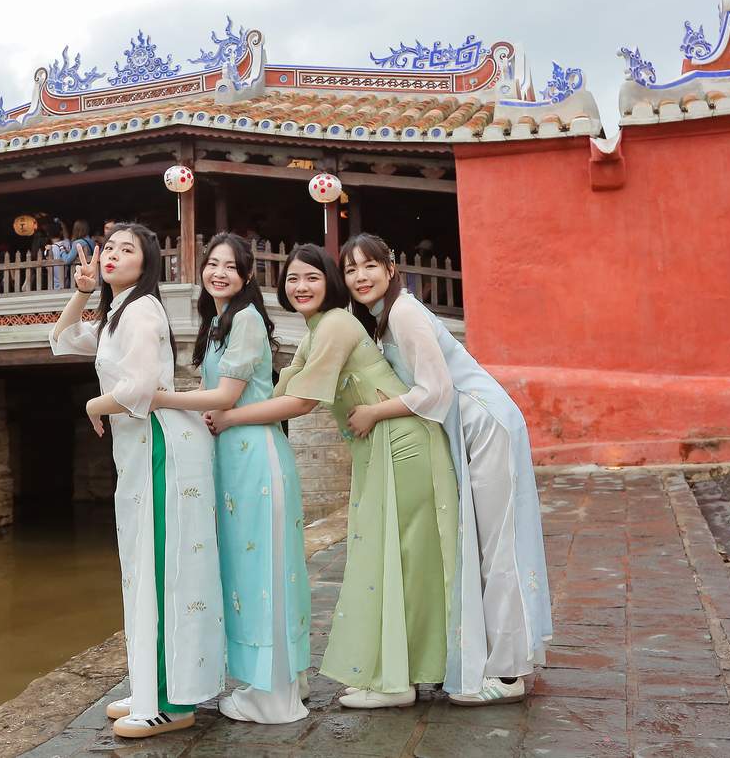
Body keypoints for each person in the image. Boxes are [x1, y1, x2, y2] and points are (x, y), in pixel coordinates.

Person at [208, 243, 459, 709]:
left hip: (400, 442)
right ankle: (397, 674)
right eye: (292, 278)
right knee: (387, 556)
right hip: (379, 445)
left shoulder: (337, 325)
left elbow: (302, 403)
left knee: (402, 558)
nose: (301, 287)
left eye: (313, 277)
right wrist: (226, 403)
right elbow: (281, 389)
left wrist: (229, 419)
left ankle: (396, 682)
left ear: (331, 283)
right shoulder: (316, 330)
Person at [340, 233, 551, 706]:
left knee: (497, 545)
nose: (361, 277)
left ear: (391, 269)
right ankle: (485, 658)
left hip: (484, 423)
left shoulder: (404, 313)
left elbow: (436, 390)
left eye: (369, 266)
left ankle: (510, 672)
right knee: (477, 544)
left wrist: (374, 412)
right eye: (351, 270)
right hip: (465, 430)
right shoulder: (384, 319)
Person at [49, 225, 224, 739]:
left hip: (159, 446)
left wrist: (93, 404)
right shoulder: (116, 313)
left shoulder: (142, 310)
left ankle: (172, 702)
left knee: (162, 570)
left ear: (146, 265)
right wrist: (82, 292)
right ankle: (149, 684)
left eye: (128, 250)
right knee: (140, 569)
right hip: (137, 450)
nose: (113, 255)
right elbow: (62, 339)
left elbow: (142, 387)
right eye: (109, 248)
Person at [151, 233, 312, 724]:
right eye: (212, 264)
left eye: (230, 267)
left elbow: (225, 397)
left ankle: (275, 696)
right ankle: (278, 680)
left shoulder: (245, 320)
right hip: (234, 461)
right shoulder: (220, 321)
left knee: (264, 572)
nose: (219, 273)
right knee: (249, 573)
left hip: (256, 458)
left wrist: (159, 398)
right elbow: (216, 397)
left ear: (246, 277)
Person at [45, 219, 72, 289]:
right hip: (66, 282)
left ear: (48, 234)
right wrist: (62, 224)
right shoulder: (65, 244)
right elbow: (66, 236)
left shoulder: (47, 250)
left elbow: (48, 269)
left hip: (54, 284)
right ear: (61, 232)